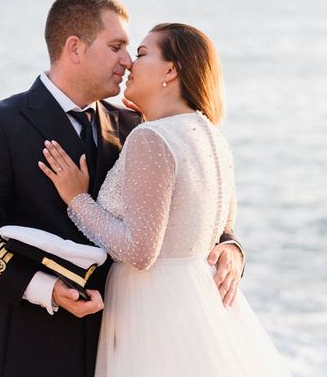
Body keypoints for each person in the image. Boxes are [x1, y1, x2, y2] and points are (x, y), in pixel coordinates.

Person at [0, 0, 244, 377]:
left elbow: (185, 207)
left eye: (133, 50)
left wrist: (230, 247)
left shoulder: (135, 126)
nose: (127, 60)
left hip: (127, 342)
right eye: (117, 46)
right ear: (75, 48)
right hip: (32, 347)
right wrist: (46, 289)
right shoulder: (0, 124)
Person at [39, 23, 291, 376]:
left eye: (142, 54)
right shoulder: (211, 136)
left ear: (170, 70)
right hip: (197, 302)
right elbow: (224, 225)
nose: (129, 64)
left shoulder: (151, 138)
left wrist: (77, 198)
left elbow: (140, 251)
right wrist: (232, 247)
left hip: (152, 309)